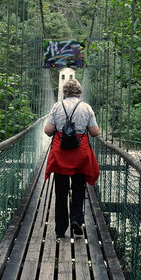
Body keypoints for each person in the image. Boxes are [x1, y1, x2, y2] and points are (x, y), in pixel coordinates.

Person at [44, 79, 100, 238]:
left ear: (65, 93)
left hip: (61, 153)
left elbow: (48, 130)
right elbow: (95, 133)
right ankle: (77, 219)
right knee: (78, 188)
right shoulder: (86, 107)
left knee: (60, 191)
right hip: (80, 153)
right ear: (79, 92)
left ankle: (60, 229)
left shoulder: (57, 106)